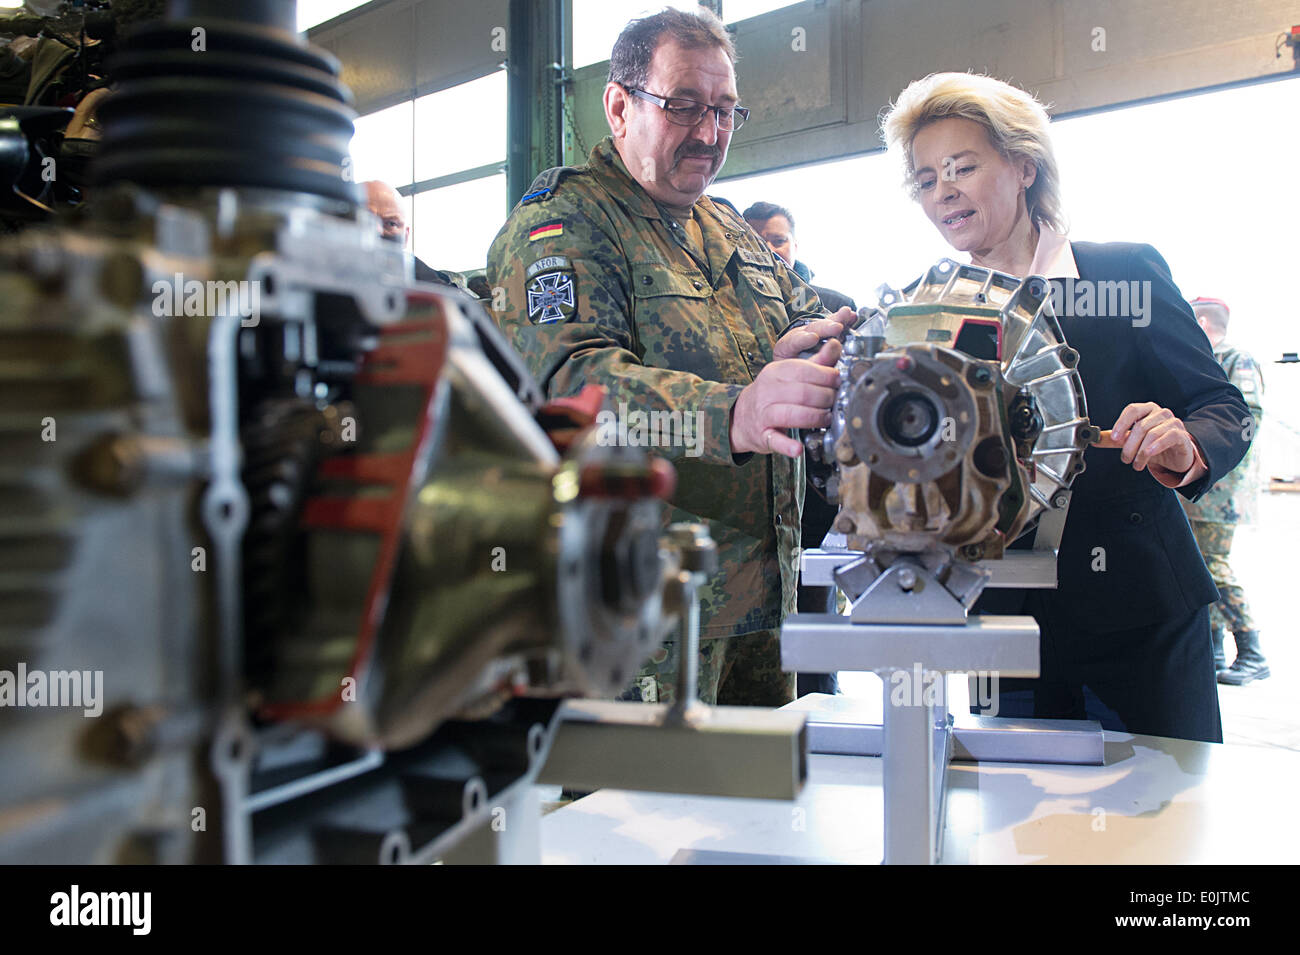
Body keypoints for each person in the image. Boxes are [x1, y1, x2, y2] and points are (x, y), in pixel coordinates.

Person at [486, 7, 853, 707]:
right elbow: (569, 390)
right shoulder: (563, 224)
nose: (710, 133)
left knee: (767, 806)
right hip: (639, 622)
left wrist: (824, 343)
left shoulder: (731, 231)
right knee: (635, 813)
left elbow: (808, 312)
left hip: (766, 604)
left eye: (724, 110)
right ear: (619, 106)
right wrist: (736, 411)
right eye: (684, 105)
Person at [881, 72, 1251, 743]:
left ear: (1023, 167)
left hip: (1140, 616)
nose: (945, 191)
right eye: (928, 179)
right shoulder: (932, 314)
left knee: (1161, 832)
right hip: (1002, 623)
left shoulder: (1122, 274)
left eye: (964, 167)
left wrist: (1186, 442)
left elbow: (1220, 404)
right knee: (1025, 833)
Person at [742, 199, 858, 698]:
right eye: (757, 240)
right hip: (754, 498)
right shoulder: (732, 313)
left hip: (819, 503)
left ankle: (820, 716)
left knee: (814, 621)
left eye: (779, 239)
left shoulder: (828, 307)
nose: (770, 250)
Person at [1182, 297, 1269, 685]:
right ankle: (1215, 650)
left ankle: (1252, 651)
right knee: (1200, 566)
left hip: (1223, 490)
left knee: (1214, 564)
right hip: (1203, 489)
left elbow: (1247, 416)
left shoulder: (1237, 359)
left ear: (1201, 320)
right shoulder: (1206, 359)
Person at [742, 201, 856, 314]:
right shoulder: (730, 309)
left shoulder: (837, 306)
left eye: (779, 241)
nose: (768, 251)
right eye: (756, 244)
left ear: (795, 247)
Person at [361, 179, 455, 287]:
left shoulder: (434, 290)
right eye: (365, 219)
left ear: (406, 237)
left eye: (391, 224)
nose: (378, 230)